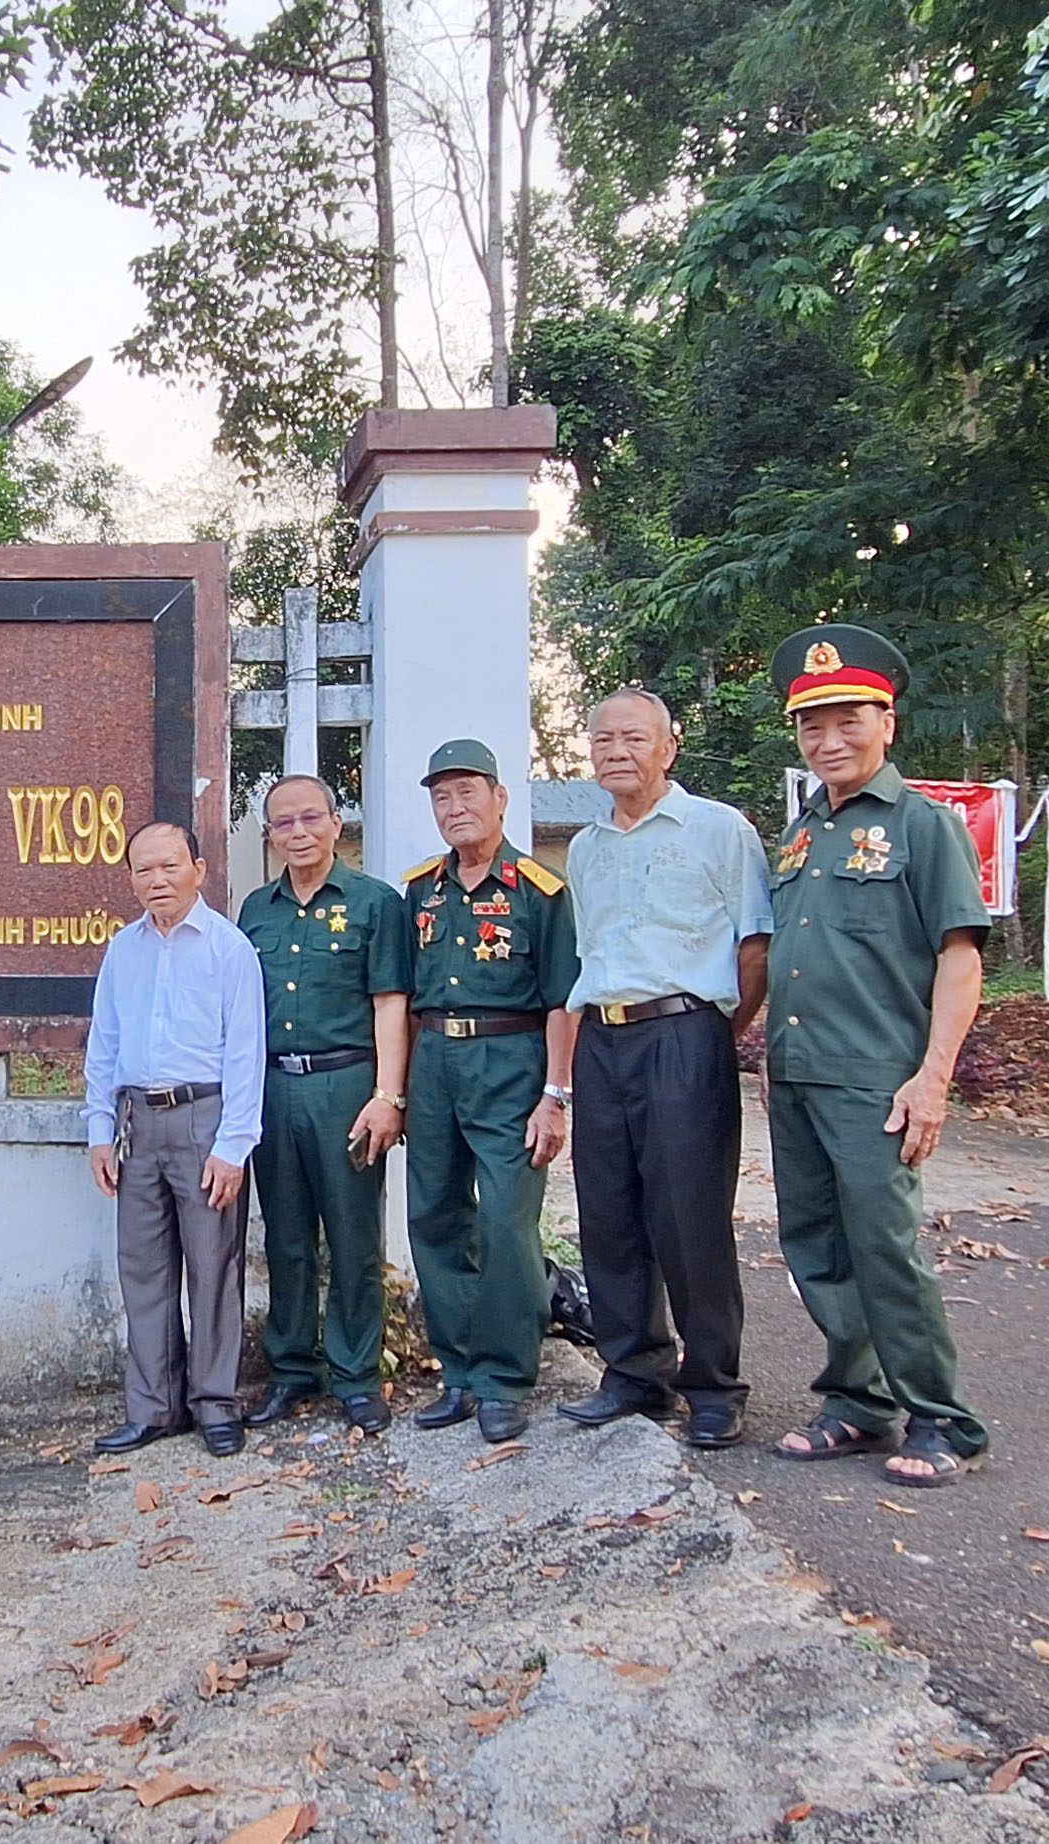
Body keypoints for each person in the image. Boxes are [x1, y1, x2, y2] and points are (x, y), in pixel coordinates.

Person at [763, 624, 991, 1486]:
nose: (829, 741)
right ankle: (855, 1403)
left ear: (887, 722)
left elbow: (959, 958)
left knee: (886, 1246)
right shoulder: (801, 832)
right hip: (795, 1073)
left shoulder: (923, 827)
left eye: (847, 720)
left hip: (876, 1080)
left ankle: (942, 1418)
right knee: (815, 1243)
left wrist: (933, 1080)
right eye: (812, 727)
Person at [559, 688, 772, 1449]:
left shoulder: (721, 830)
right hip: (604, 1039)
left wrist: (714, 1033)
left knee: (689, 1216)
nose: (616, 751)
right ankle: (632, 1373)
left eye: (634, 738)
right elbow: (589, 953)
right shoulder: (586, 847)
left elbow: (755, 947)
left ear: (669, 746)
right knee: (608, 1213)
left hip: (686, 1034)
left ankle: (713, 1383)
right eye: (603, 739)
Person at [399, 740, 580, 1444]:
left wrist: (556, 1094)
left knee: (506, 1221)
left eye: (468, 792)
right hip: (437, 1059)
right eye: (442, 797)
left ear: (501, 798)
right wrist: (405, 1088)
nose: (455, 808)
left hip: (512, 1059)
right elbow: (406, 997)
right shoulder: (422, 890)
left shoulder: (541, 891)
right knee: (436, 1215)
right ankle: (459, 1371)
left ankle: (505, 1377)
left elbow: (566, 1000)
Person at [82, 820, 268, 1456]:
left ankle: (215, 1403)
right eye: (142, 869)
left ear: (198, 870)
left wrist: (233, 1145)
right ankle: (155, 1407)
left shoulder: (228, 948)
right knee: (144, 1268)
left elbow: (247, 1050)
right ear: (129, 877)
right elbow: (103, 1044)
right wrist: (99, 1129)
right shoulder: (123, 949)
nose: (156, 880)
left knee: (212, 1264)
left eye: (169, 866)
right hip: (138, 1122)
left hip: (204, 1119)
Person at [236, 776, 413, 1434]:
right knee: (285, 1238)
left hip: (346, 1087)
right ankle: (291, 1371)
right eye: (283, 824)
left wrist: (387, 1096)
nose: (299, 832)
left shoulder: (374, 904)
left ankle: (357, 1376)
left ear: (338, 824)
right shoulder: (256, 910)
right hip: (274, 1088)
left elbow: (390, 1003)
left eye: (311, 818)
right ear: (271, 836)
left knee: (353, 1236)